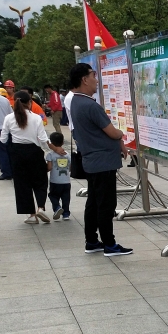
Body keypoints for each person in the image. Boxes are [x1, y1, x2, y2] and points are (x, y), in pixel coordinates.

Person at [67, 62, 132, 256]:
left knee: (94, 202)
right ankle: (109, 244)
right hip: (102, 162)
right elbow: (111, 132)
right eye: (93, 75)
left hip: (92, 161)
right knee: (106, 204)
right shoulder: (89, 105)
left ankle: (92, 241)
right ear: (84, 79)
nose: (96, 80)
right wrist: (121, 134)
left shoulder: (76, 102)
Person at [1, 90, 51, 225]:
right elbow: (42, 139)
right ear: (30, 102)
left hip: (17, 154)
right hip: (34, 152)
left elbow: (3, 138)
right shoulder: (36, 118)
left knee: (22, 184)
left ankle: (31, 215)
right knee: (40, 181)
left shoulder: (8, 118)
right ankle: (41, 207)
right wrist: (48, 152)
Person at [45, 131, 71, 220]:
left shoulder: (50, 155)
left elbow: (49, 167)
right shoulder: (68, 155)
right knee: (66, 198)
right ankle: (66, 214)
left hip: (55, 181)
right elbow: (70, 167)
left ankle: (57, 207)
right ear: (63, 142)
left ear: (51, 143)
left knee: (53, 195)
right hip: (66, 181)